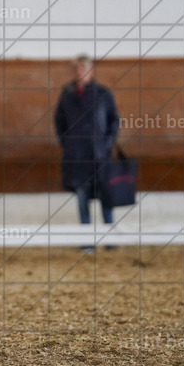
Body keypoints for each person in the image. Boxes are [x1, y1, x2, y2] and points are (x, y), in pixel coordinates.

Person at [53, 55, 120, 252]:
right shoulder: (67, 94)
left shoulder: (103, 93)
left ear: (90, 71)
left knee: (106, 198)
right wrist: (67, 143)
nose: (79, 72)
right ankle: (87, 242)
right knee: (82, 199)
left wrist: (107, 143)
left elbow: (114, 120)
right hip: (77, 157)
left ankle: (110, 240)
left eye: (82, 69)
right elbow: (59, 121)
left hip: (100, 155)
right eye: (76, 69)